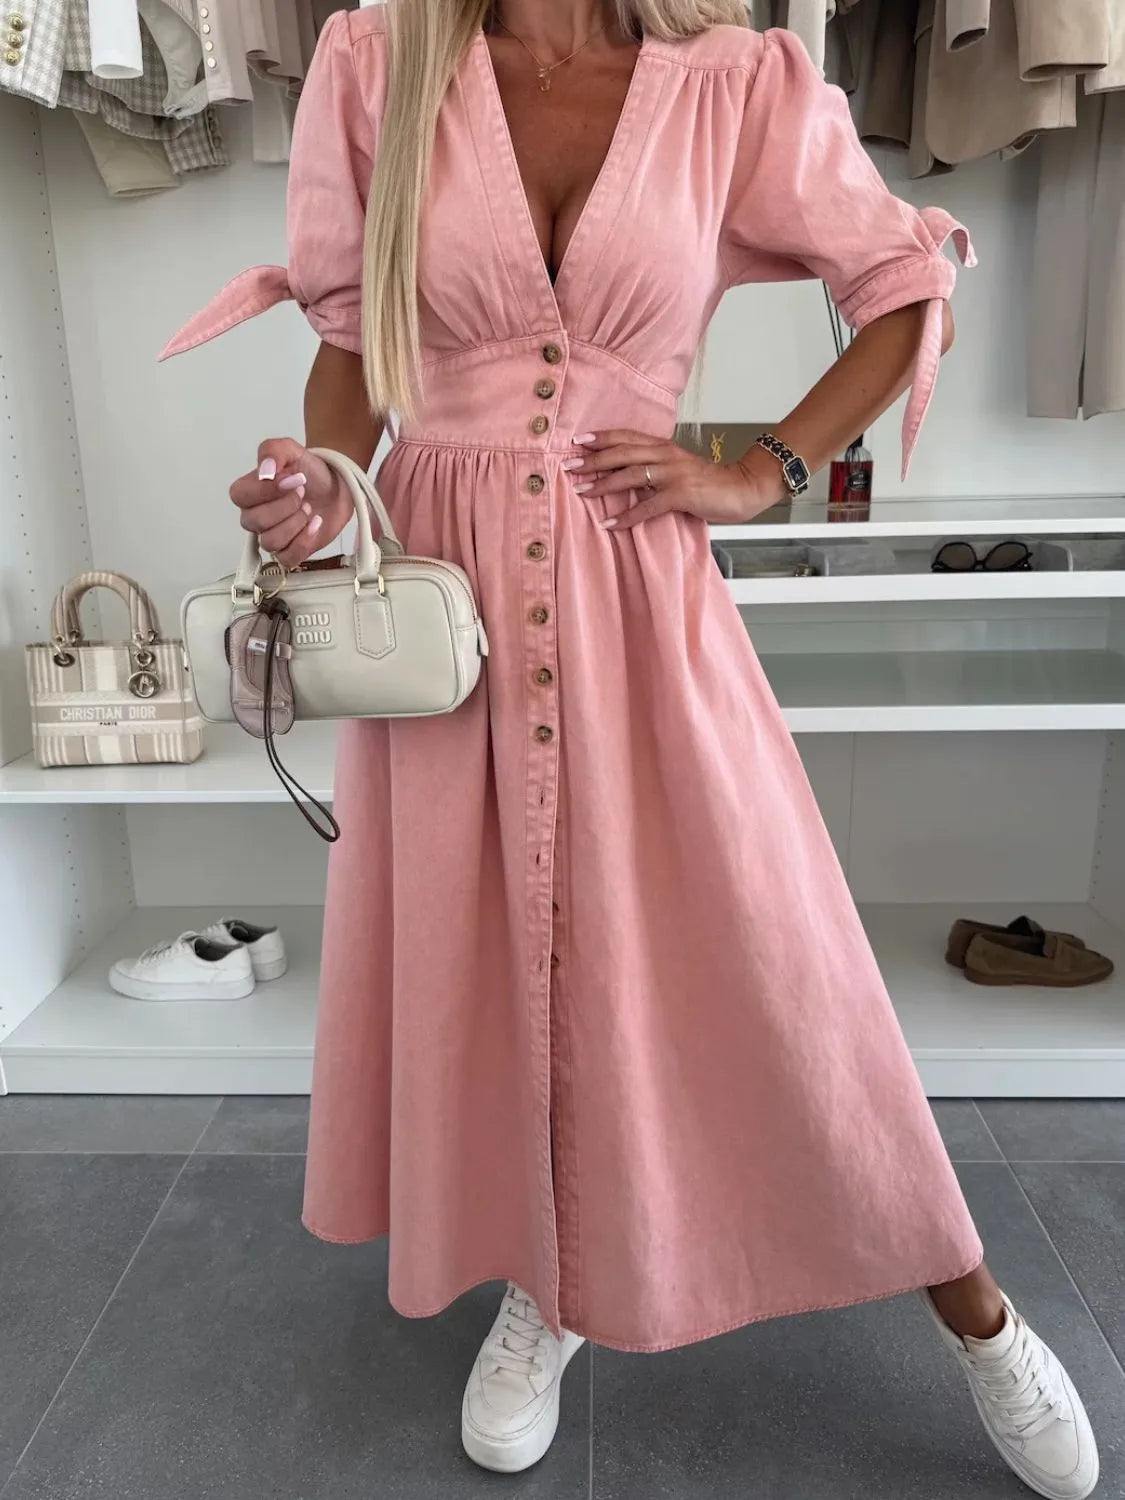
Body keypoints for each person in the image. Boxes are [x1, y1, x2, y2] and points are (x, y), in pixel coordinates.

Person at [161, 2, 1099, 1494]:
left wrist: (762, 471)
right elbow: (349, 346)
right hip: (451, 606)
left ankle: (975, 1308)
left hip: (636, 584)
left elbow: (900, 285)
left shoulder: (735, 81)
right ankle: (551, 1286)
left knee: (778, 958)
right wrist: (324, 486)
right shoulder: (376, 64)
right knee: (503, 963)